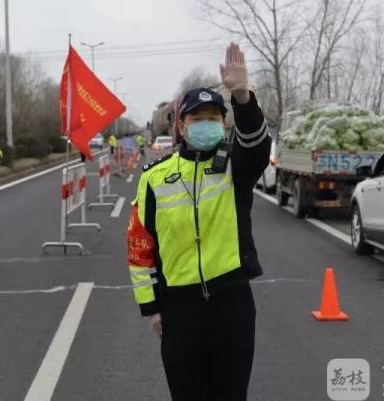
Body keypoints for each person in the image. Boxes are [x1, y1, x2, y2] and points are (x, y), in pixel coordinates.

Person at [127, 42, 270, 401]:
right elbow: (140, 249)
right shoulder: (154, 179)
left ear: (223, 124)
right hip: (180, 311)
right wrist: (151, 308)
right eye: (196, 118)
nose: (206, 124)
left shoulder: (235, 167)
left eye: (213, 118)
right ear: (180, 125)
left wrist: (242, 96)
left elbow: (256, 142)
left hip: (231, 304)